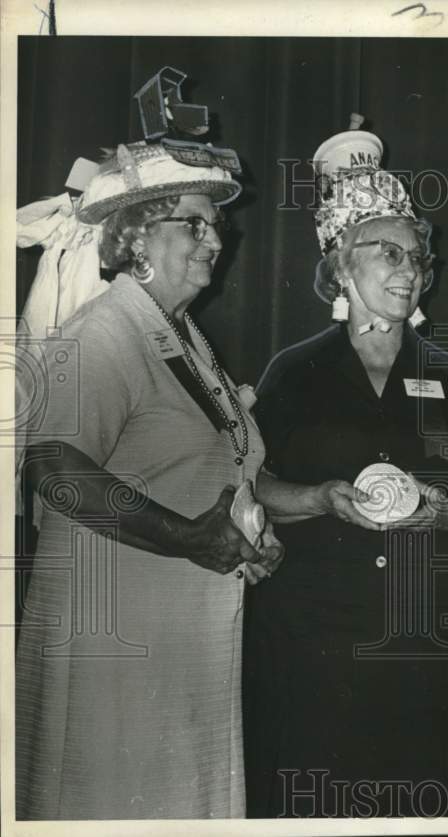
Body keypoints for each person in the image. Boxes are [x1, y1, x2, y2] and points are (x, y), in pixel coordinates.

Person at [15, 69, 284, 818]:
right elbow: (54, 468)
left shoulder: (186, 339)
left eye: (216, 226)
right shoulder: (101, 332)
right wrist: (189, 536)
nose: (214, 239)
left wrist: (251, 532)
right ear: (135, 237)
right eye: (193, 223)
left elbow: (220, 470)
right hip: (114, 648)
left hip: (183, 644)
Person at [242, 120, 448, 818]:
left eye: (417, 257)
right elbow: (255, 482)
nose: (407, 268)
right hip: (317, 644)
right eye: (386, 251)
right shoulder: (294, 372)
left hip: (430, 645)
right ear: (339, 263)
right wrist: (321, 497)